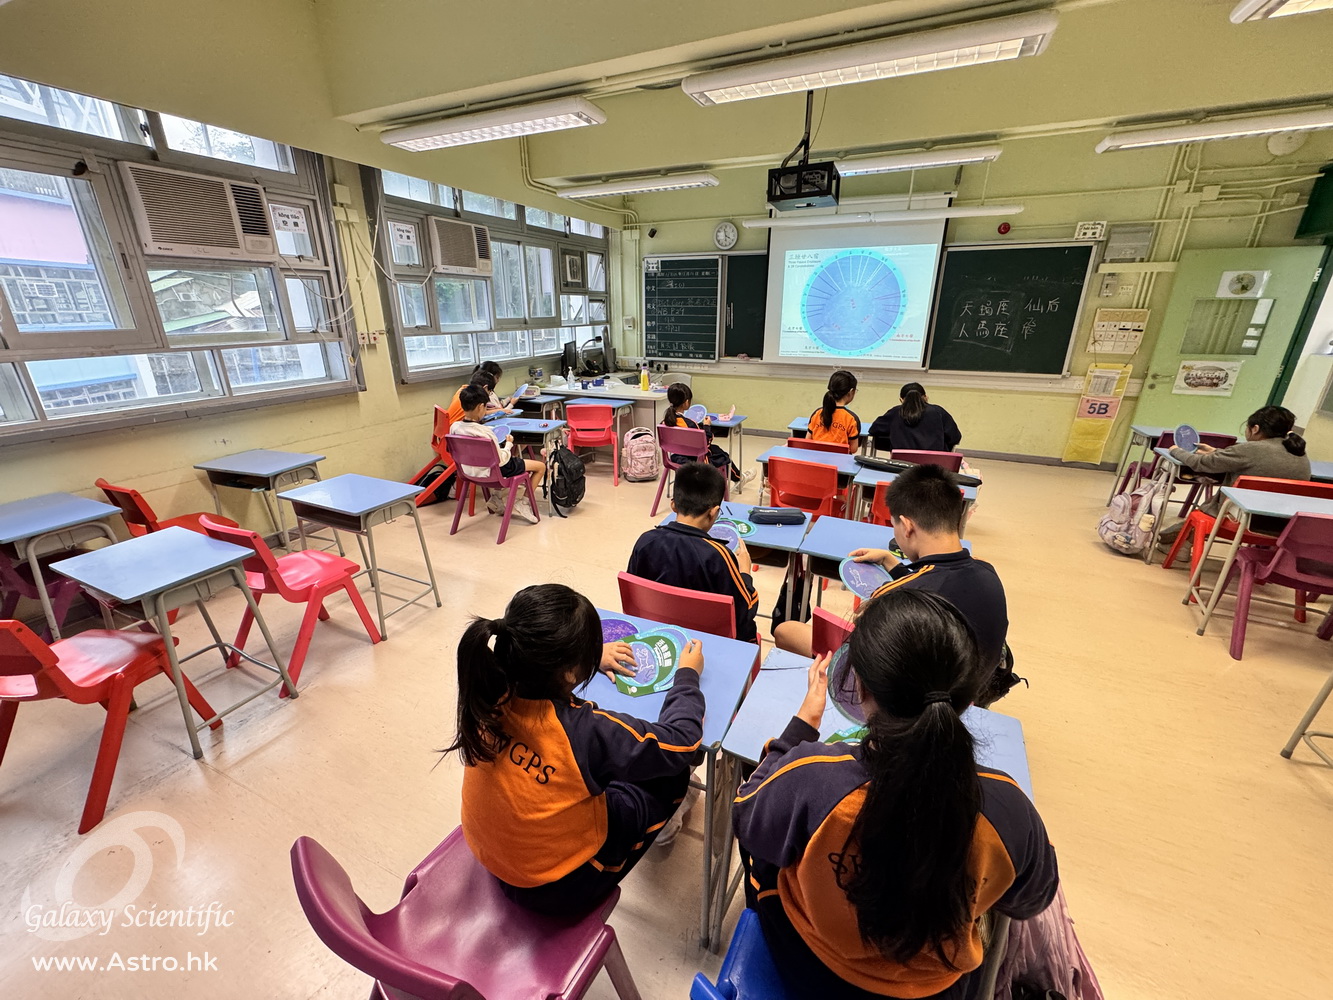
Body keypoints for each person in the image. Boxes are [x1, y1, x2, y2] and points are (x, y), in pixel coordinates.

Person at [734, 589, 1059, 999]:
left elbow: (746, 815)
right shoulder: (1008, 808)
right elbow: (1032, 898)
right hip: (932, 991)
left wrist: (800, 727)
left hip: (807, 968)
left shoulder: (812, 777)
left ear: (861, 687)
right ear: (969, 700)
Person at [444, 584, 706, 914]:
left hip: (494, 857)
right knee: (672, 772)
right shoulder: (583, 730)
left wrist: (587, 658)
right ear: (569, 671)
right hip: (558, 888)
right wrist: (687, 675)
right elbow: (682, 741)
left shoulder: (487, 691)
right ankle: (665, 828)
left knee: (599, 768)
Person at [773, 463, 1007, 679]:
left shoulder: (894, 597)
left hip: (899, 688)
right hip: (968, 686)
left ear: (906, 526)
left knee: (786, 631)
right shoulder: (987, 573)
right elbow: (933, 587)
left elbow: (867, 650)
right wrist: (890, 561)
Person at [628, 461, 759, 643]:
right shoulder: (718, 556)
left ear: (673, 505)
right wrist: (745, 572)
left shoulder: (645, 541)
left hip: (657, 636)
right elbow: (744, 611)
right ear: (714, 512)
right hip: (707, 644)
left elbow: (633, 595)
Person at [1159, 405, 1311, 544]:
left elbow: (1200, 463)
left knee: (1201, 514)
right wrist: (1216, 452)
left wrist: (1175, 451)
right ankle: (1179, 541)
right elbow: (1258, 460)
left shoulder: (1250, 449)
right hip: (1283, 524)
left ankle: (1177, 543)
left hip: (1239, 518)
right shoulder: (1299, 453)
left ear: (1255, 429)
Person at [452, 383, 544, 524]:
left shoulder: (454, 427)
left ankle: (496, 497)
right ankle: (523, 503)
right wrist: (508, 445)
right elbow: (502, 461)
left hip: (468, 472)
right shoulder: (485, 432)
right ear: (480, 407)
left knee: (500, 459)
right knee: (540, 467)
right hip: (493, 473)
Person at [662, 382, 756, 489]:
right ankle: (740, 478)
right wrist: (707, 427)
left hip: (675, 458)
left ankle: (739, 477)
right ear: (686, 402)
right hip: (695, 460)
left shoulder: (665, 422)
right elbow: (704, 445)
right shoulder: (690, 424)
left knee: (716, 449)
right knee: (722, 456)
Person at [869, 382, 962, 454]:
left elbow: (874, 430)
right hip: (933, 466)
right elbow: (955, 437)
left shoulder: (895, 412)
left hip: (900, 465)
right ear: (926, 397)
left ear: (901, 400)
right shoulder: (938, 411)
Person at [807, 370, 861, 453]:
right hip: (840, 460)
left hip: (815, 458)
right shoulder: (852, 418)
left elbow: (807, 440)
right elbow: (853, 449)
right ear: (851, 392)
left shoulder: (817, 413)